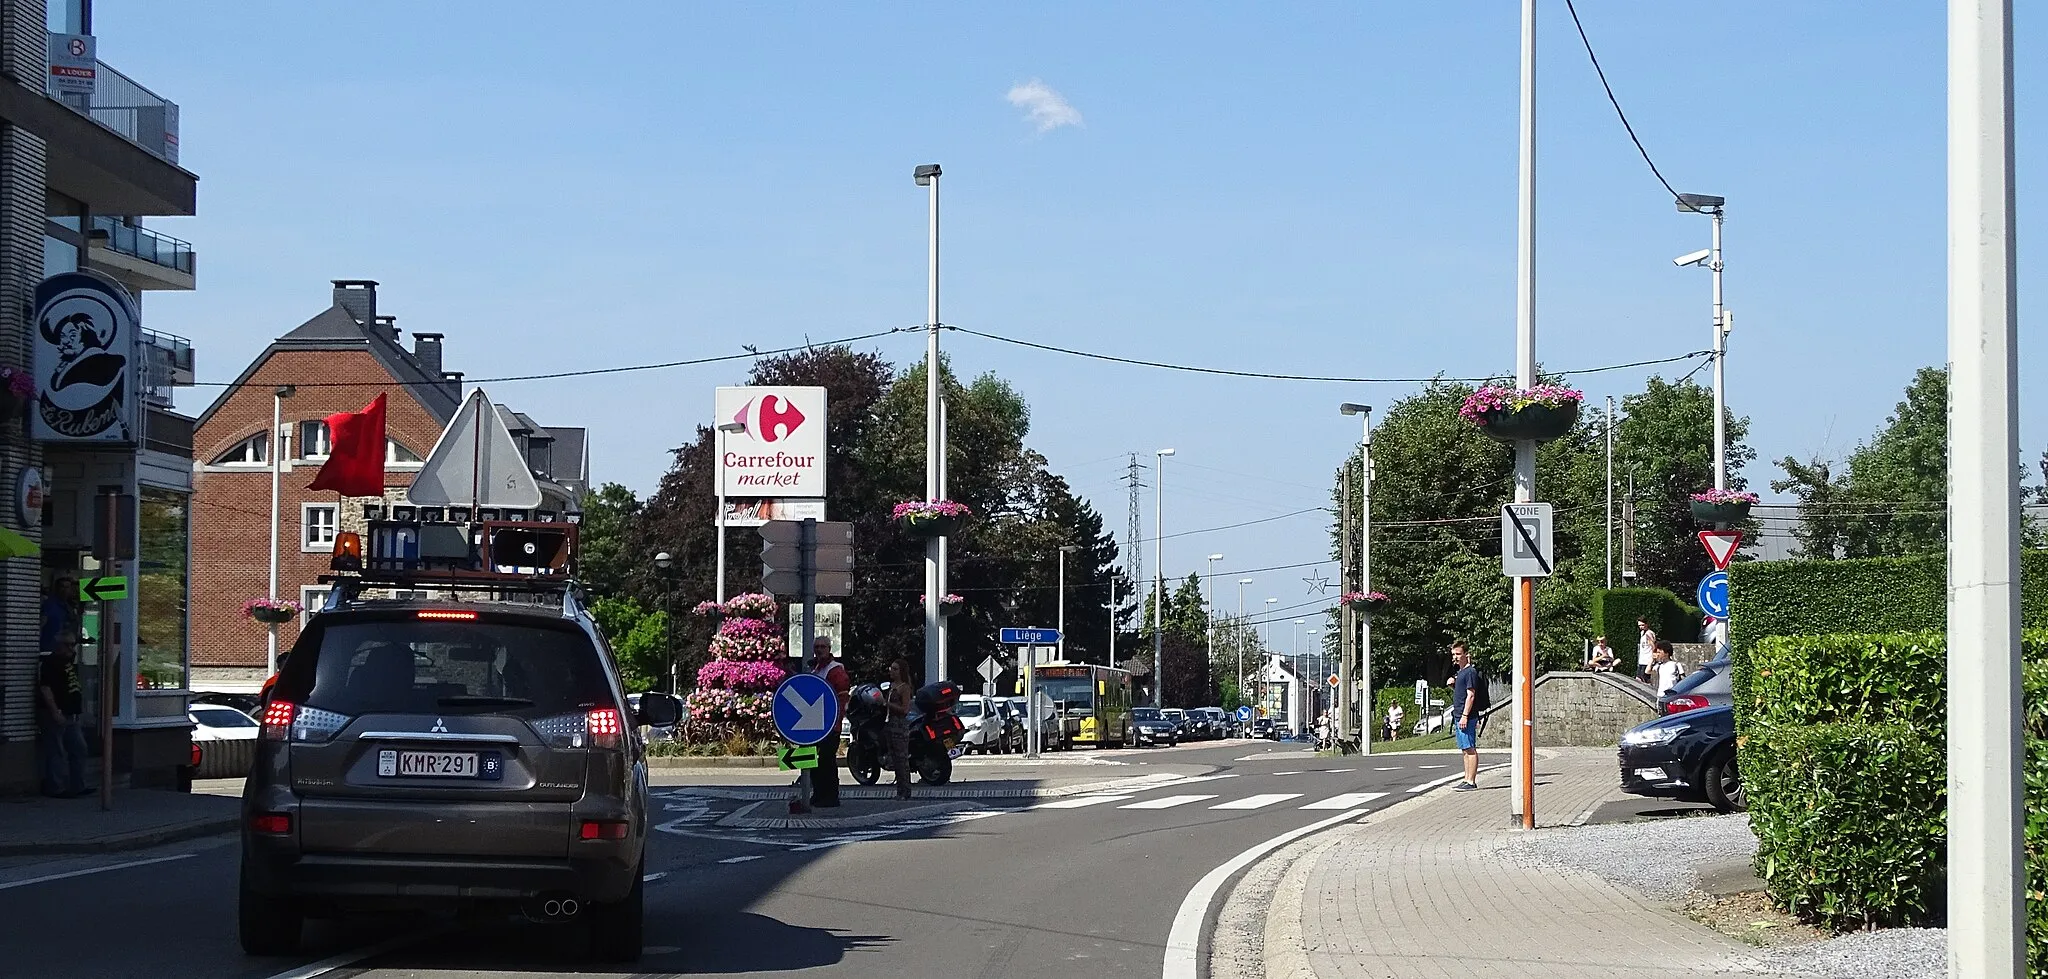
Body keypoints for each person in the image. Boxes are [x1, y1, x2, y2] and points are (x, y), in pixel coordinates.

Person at [37, 634, 89, 798]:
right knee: (56, 750)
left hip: (71, 714)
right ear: (58, 645)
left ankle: (77, 785)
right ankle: (56, 787)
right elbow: (46, 689)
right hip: (57, 713)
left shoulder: (69, 663)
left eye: (73, 645)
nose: (71, 649)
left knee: (79, 749)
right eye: (67, 645)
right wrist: (54, 711)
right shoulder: (50, 663)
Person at [808, 636, 851, 808]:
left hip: (830, 725)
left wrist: (836, 723)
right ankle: (818, 794)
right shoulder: (816, 670)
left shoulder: (836, 671)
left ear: (829, 648)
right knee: (813, 761)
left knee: (827, 762)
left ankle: (831, 796)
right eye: (817, 646)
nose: (819, 650)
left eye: (823, 647)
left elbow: (841, 701)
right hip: (814, 724)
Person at [1450, 642, 1484, 791]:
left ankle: (1471, 781)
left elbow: (1470, 695)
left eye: (1458, 654)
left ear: (1466, 655)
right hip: (1459, 715)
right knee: (1464, 749)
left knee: (1470, 748)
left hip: (1467, 717)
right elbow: (1462, 693)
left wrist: (1465, 716)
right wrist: (1453, 685)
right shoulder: (1461, 673)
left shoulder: (1470, 672)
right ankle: (1466, 778)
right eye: (1453, 654)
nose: (1455, 657)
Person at [884, 658, 914, 799]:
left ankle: (905, 790)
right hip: (889, 724)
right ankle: (899, 790)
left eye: (895, 669)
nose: (892, 671)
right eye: (891, 668)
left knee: (902, 759)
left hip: (899, 726)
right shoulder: (890, 686)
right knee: (894, 759)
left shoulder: (904, 688)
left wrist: (886, 704)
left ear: (901, 671)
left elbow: (905, 709)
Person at [1635, 618, 1658, 683]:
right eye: (1639, 625)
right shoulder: (1642, 633)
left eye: (1642, 625)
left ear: (1646, 624)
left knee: (1644, 679)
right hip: (1642, 660)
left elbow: (1653, 646)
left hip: (1647, 660)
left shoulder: (1649, 633)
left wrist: (1653, 658)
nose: (1641, 627)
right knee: (1638, 679)